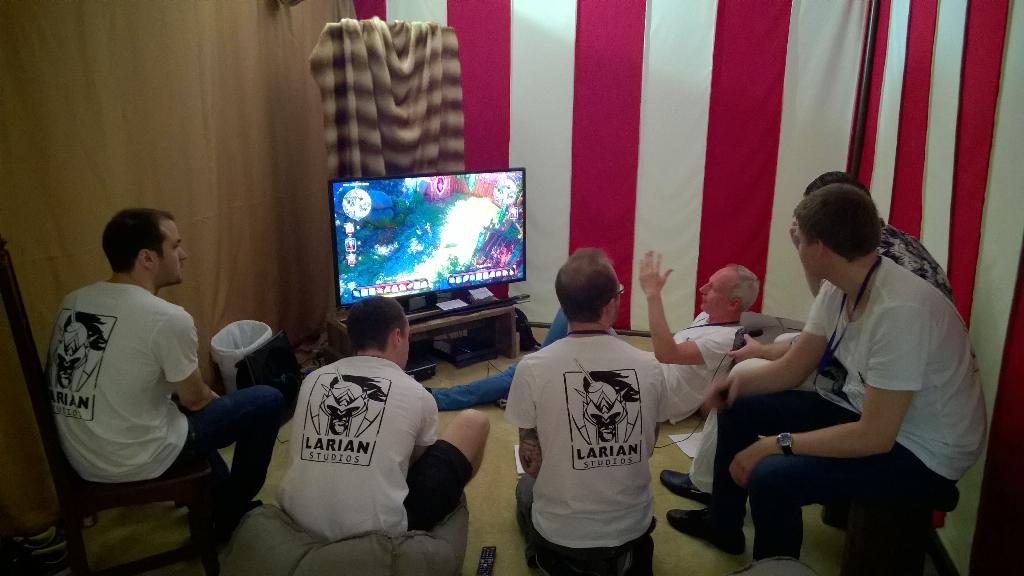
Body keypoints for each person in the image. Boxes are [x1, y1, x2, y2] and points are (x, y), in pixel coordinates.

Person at [668, 185, 986, 559]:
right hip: (870, 413)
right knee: (738, 407)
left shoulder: (900, 310)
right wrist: (729, 386)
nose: (796, 248)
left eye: (799, 239)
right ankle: (724, 526)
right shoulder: (840, 285)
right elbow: (794, 367)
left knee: (771, 477)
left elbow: (875, 436)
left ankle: (777, 567)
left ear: (819, 247)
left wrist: (774, 444)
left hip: (924, 450)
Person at [45, 208, 285, 537]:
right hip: (135, 457)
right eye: (175, 246)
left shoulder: (74, 300)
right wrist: (213, 401)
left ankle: (214, 497)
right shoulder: (166, 318)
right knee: (268, 400)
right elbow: (195, 399)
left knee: (185, 409)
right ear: (147, 258)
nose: (183, 255)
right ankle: (230, 508)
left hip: (83, 457)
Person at [505, 248, 671, 574]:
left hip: (562, 535)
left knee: (525, 489)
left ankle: (550, 559)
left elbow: (531, 464)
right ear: (610, 305)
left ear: (563, 306)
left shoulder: (532, 368)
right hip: (633, 528)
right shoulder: (650, 366)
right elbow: (648, 447)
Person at [278, 296, 489, 541]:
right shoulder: (418, 394)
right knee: (475, 421)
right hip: (377, 536)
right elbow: (413, 465)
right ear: (397, 336)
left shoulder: (312, 380)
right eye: (408, 337)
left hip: (296, 519)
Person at [635, 252, 761, 506]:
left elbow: (666, 353)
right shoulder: (707, 317)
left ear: (733, 304)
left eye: (712, 288)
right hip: (651, 373)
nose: (702, 289)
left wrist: (653, 295)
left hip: (660, 393)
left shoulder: (727, 339)